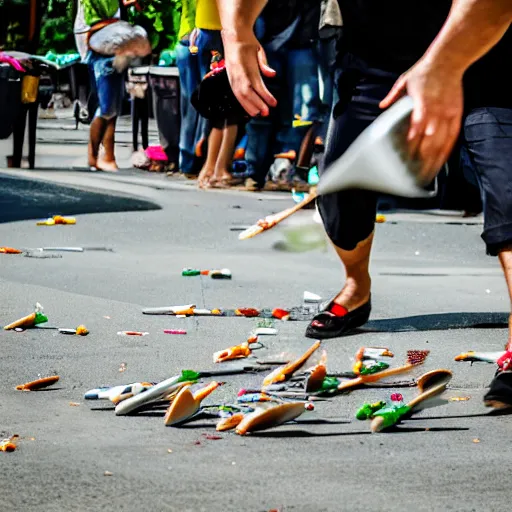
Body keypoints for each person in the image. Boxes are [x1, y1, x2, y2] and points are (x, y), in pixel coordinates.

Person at [217, 0, 512, 405]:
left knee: (507, 190)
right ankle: (356, 288)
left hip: (488, 49)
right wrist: (236, 34)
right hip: (376, 58)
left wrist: (442, 64)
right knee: (339, 191)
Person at [80, 0, 125, 172]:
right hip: (104, 52)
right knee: (106, 108)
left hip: (113, 51)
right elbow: (94, 24)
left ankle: (108, 157)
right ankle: (93, 157)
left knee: (111, 109)